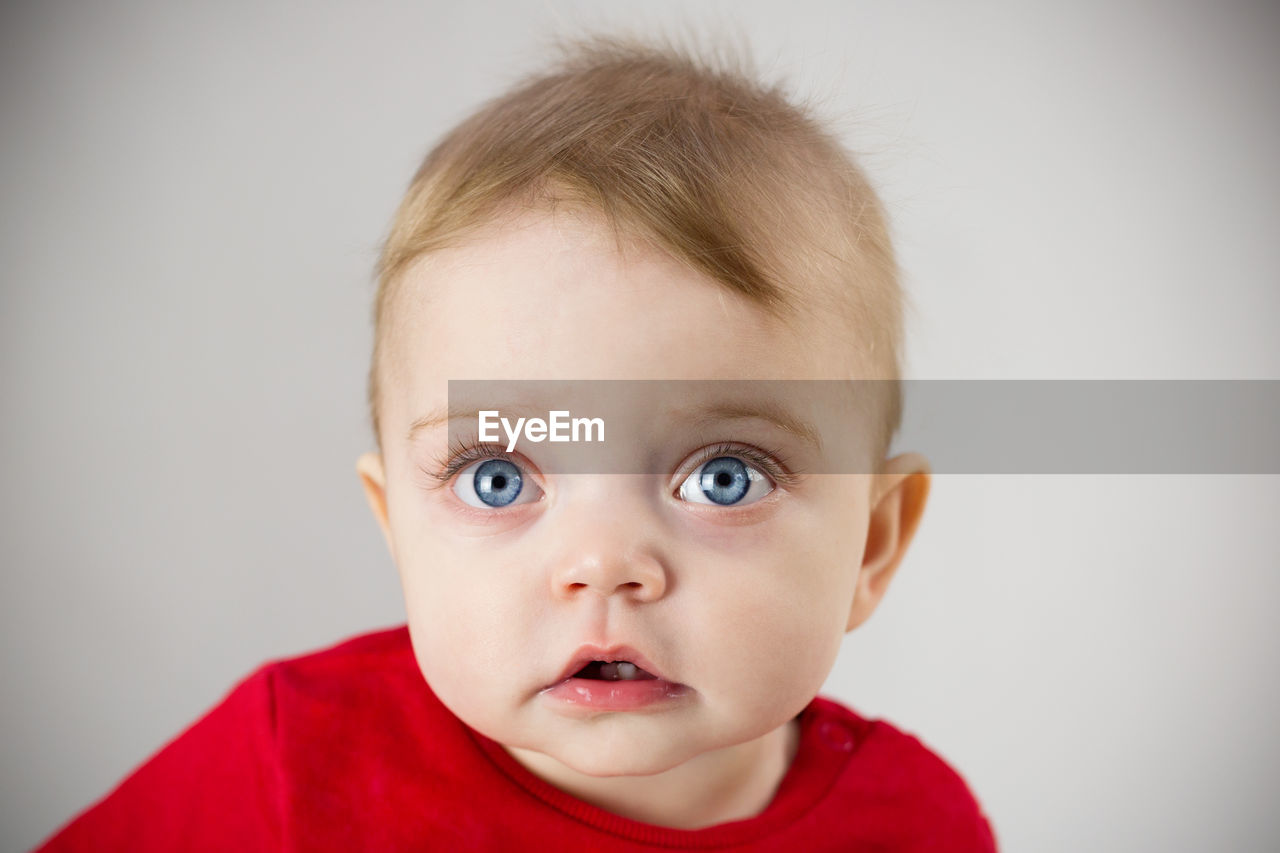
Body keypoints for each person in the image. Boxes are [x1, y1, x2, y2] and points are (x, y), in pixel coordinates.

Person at [36, 31, 998, 851]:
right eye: (499, 477)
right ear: (395, 524)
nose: (603, 566)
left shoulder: (919, 824)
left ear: (871, 544)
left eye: (723, 476)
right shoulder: (295, 767)